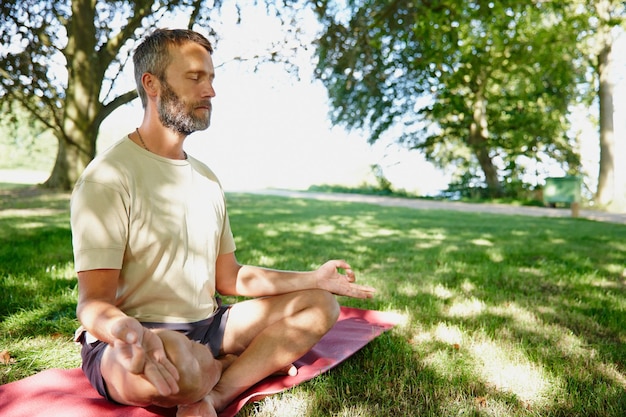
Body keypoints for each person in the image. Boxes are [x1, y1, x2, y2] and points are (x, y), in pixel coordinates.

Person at [70, 28, 376, 417]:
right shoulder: (108, 177)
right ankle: (216, 369)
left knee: (321, 306)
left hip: (209, 326)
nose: (210, 91)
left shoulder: (207, 178)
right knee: (173, 371)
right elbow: (93, 303)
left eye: (211, 79)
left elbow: (228, 277)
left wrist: (312, 279)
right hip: (131, 340)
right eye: (195, 78)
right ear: (152, 84)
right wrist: (127, 332)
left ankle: (215, 394)